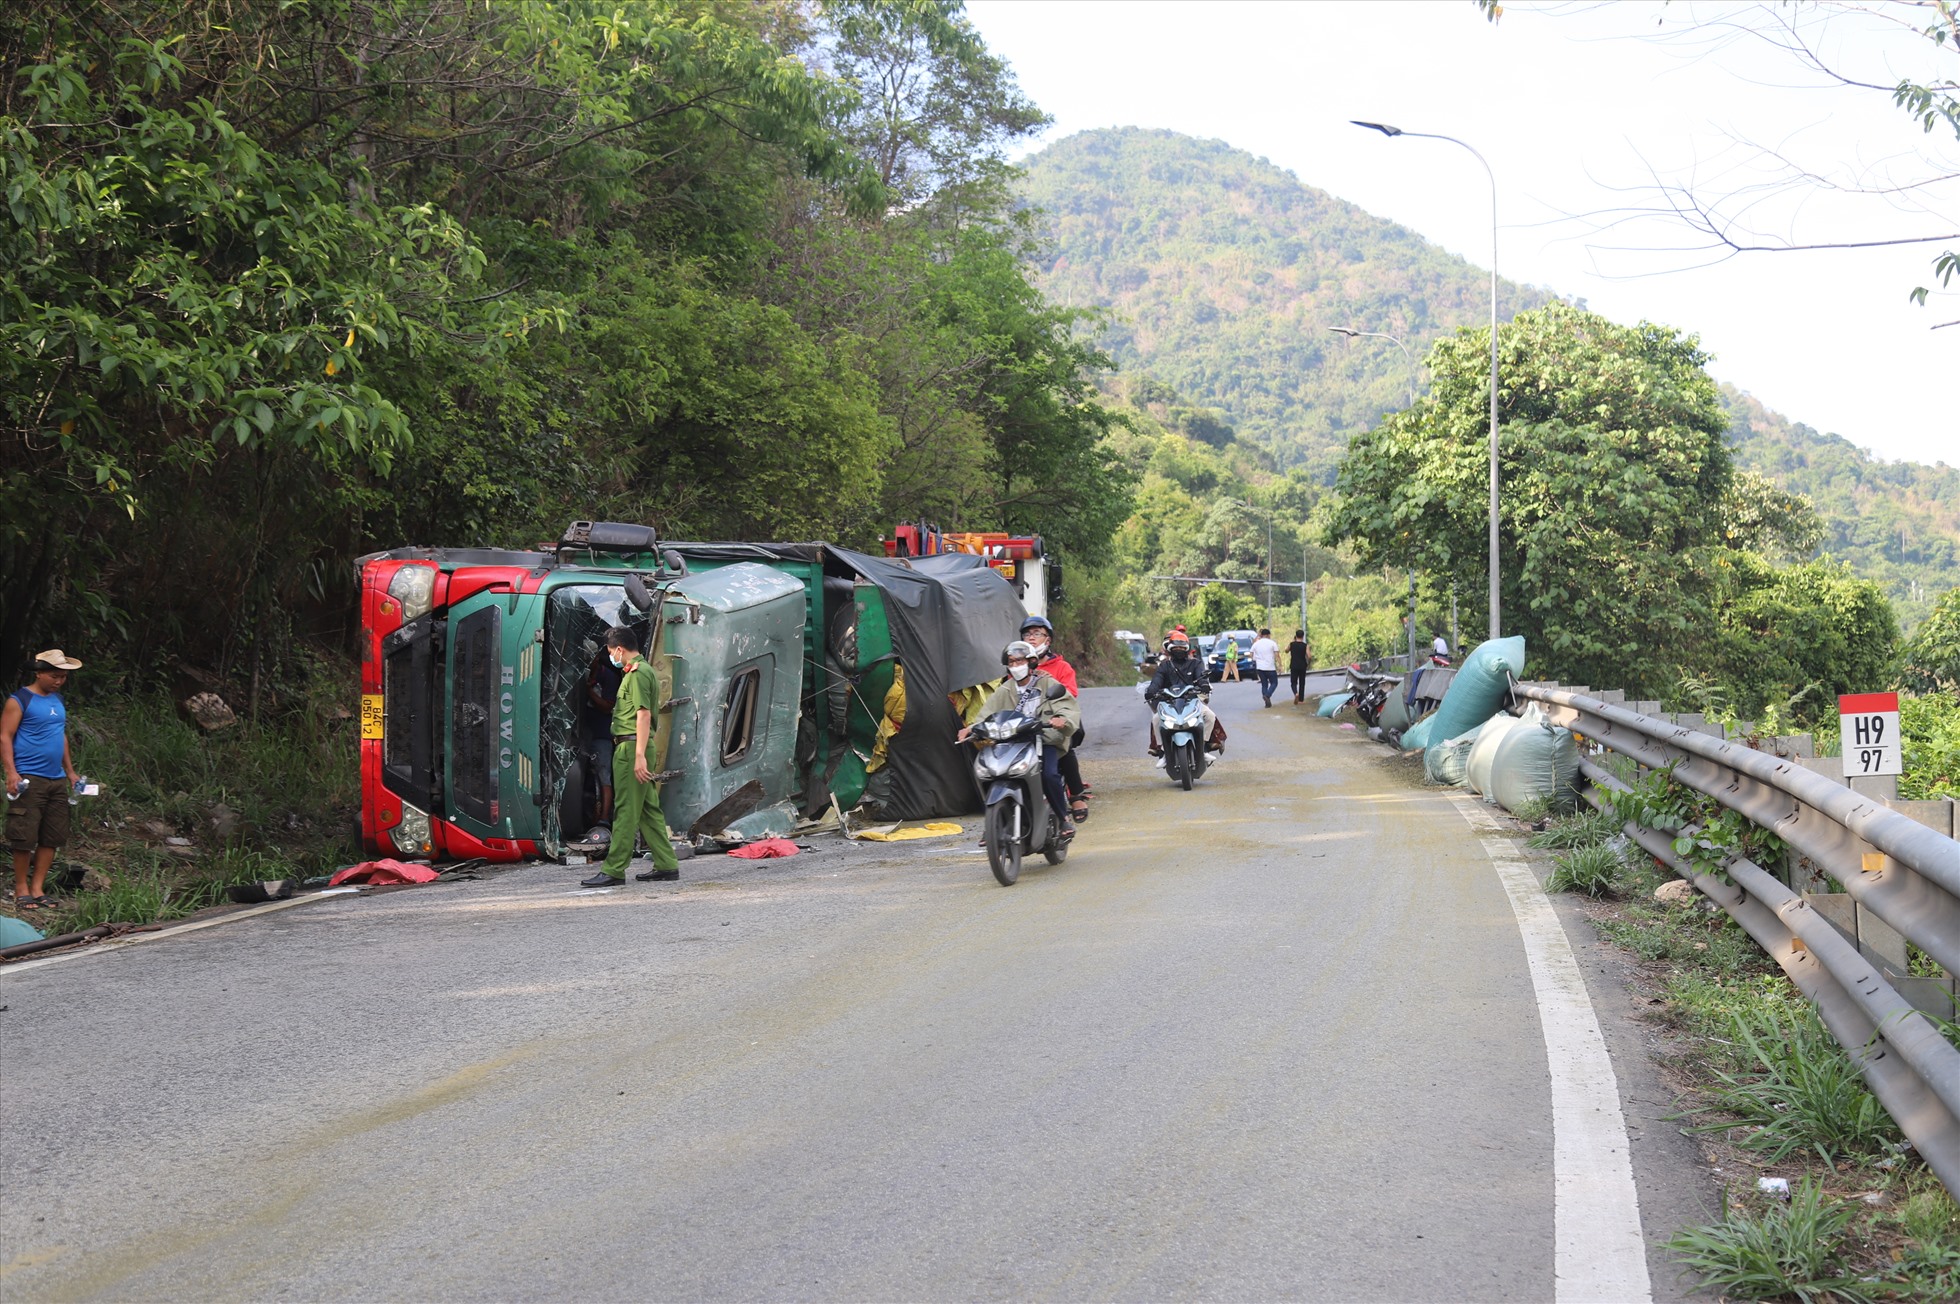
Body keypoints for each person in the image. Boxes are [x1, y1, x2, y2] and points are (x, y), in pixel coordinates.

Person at [582, 626, 681, 888]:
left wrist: (638, 757)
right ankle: (666, 863)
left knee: (625, 809)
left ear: (619, 649)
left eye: (611, 651)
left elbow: (643, 714)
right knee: (648, 810)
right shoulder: (642, 670)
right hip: (634, 746)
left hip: (631, 748)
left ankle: (614, 869)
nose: (612, 657)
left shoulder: (637, 674)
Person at [959, 641, 1079, 841]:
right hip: (1012, 742)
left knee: (1049, 774)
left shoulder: (1047, 683)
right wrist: (971, 729)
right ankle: (993, 823)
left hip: (1042, 739)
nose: (1016, 666)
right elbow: (986, 714)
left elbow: (1067, 707)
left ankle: (1063, 817)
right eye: (1012, 662)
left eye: (1020, 661)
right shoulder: (1004, 689)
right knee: (989, 772)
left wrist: (1061, 719)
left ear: (1031, 662)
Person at [4, 650, 83, 912]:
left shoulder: (57, 700)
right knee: (24, 835)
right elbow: (5, 736)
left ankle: (38, 888)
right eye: (54, 676)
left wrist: (70, 771)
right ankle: (21, 888)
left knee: (52, 836)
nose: (59, 681)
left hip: (56, 779)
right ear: (39, 672)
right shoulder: (20, 700)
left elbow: (60, 736)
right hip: (29, 778)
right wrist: (11, 772)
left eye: (63, 677)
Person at [1018, 616, 1091, 824]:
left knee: (1063, 745)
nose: (1031, 638)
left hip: (1055, 719)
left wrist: (1055, 714)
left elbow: (1070, 694)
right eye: (1027, 634)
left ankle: (1076, 795)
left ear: (1048, 640)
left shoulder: (1061, 667)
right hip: (1026, 723)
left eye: (1037, 634)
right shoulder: (1017, 666)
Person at [1143, 634, 1220, 765]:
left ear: (1187, 648)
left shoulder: (1196, 663)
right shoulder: (1164, 666)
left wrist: (1204, 685)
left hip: (1192, 701)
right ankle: (1163, 752)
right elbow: (1156, 681)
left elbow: (1202, 678)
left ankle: (1204, 747)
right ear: (1170, 649)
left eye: (1182, 647)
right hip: (1169, 702)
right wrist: (1151, 691)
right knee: (1156, 720)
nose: (1179, 649)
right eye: (1176, 647)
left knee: (1210, 716)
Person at [582, 645, 623, 826]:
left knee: (603, 775)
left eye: (589, 659)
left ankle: (605, 818)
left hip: (602, 734)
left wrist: (589, 691)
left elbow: (608, 706)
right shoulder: (581, 676)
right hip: (583, 733)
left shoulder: (608, 676)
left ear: (596, 658)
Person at [1250, 627, 1280, 708]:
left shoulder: (1256, 644)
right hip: (1270, 667)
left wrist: (1255, 659)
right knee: (1274, 683)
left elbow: (1251, 653)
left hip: (1260, 667)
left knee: (1264, 684)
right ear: (1268, 635)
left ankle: (1267, 702)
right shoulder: (1272, 643)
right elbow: (1277, 655)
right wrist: (1280, 665)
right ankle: (1267, 695)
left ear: (1262, 635)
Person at [1287, 629, 1312, 704]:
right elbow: (1309, 656)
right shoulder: (1305, 645)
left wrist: (1292, 642)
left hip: (1294, 665)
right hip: (1302, 665)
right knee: (1302, 682)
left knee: (1293, 682)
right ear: (1303, 636)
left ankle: (1296, 693)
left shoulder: (1292, 644)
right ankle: (1301, 700)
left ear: (1296, 635)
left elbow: (1286, 650)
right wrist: (1308, 663)